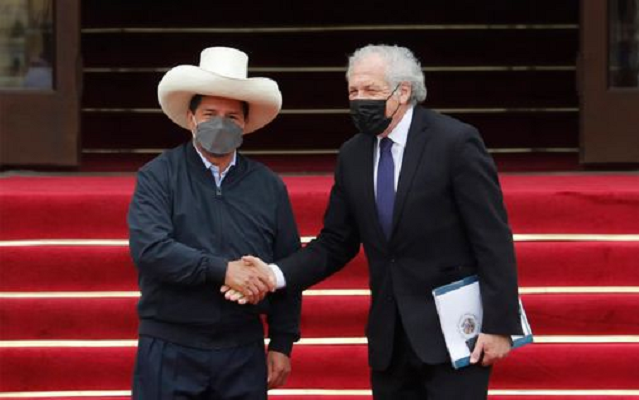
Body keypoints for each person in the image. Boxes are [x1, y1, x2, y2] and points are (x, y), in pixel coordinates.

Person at [227, 44, 523, 399]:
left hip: (455, 334)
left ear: (403, 91)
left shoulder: (454, 142)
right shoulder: (353, 154)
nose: (359, 100)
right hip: (390, 341)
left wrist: (500, 325)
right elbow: (335, 243)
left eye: (370, 90)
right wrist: (273, 275)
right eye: (353, 91)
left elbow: (491, 237)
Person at [127, 47, 301, 399]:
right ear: (191, 118)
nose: (220, 123)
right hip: (170, 344)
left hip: (242, 350)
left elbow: (288, 265)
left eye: (232, 116)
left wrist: (282, 341)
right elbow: (151, 249)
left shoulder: (269, 186)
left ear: (245, 124)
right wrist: (223, 271)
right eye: (209, 114)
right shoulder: (158, 176)